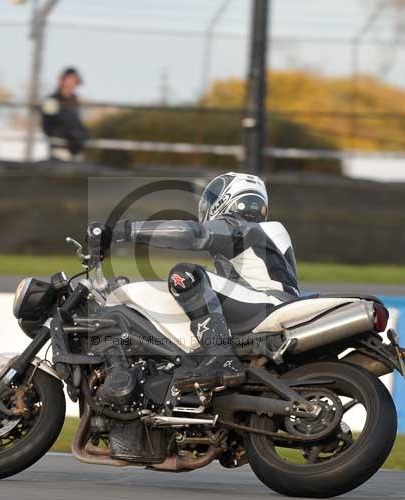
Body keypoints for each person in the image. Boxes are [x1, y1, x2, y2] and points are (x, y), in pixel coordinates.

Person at [90, 172, 300, 390]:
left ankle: (222, 360)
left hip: (269, 305)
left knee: (185, 275)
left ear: (228, 200)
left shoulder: (247, 229)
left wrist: (121, 231)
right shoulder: (257, 241)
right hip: (267, 305)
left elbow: (194, 234)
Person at [41, 67, 88, 161]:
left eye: (74, 81)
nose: (71, 84)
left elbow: (79, 124)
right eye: (69, 80)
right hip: (59, 150)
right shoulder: (51, 100)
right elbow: (48, 127)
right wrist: (67, 134)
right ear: (61, 80)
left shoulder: (76, 100)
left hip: (76, 150)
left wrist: (82, 134)